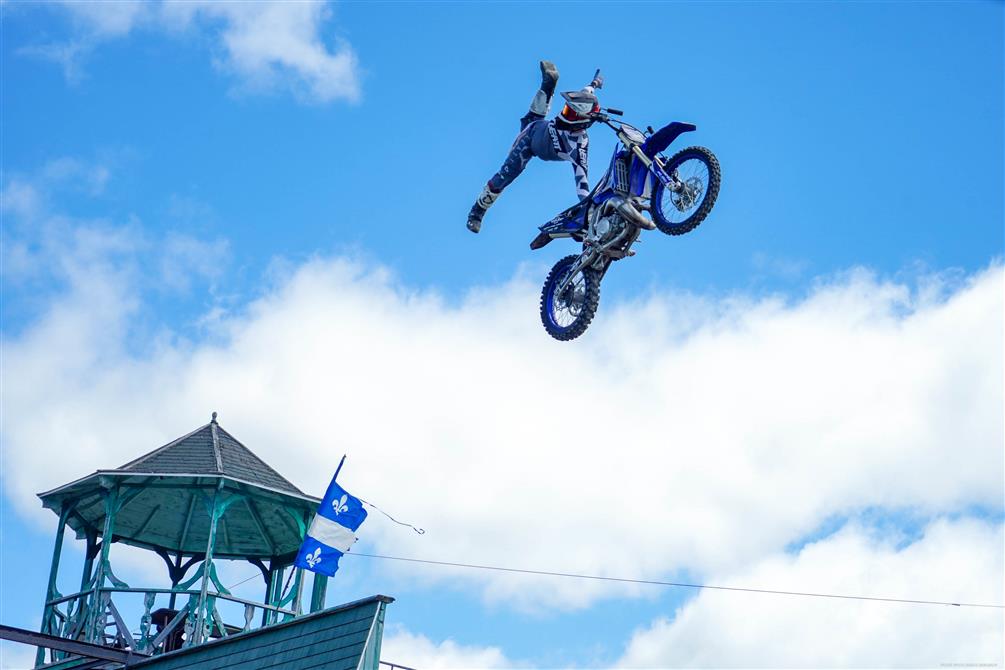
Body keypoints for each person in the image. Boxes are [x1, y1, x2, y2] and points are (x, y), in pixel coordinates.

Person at [466, 61, 604, 233]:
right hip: (532, 135)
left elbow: (582, 182)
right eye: (566, 108)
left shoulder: (579, 146)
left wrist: (589, 211)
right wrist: (596, 83)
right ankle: (476, 213)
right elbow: (588, 90)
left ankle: (548, 84)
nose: (563, 114)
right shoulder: (580, 105)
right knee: (508, 172)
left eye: (569, 113)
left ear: (582, 122)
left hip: (534, 134)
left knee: (533, 121)